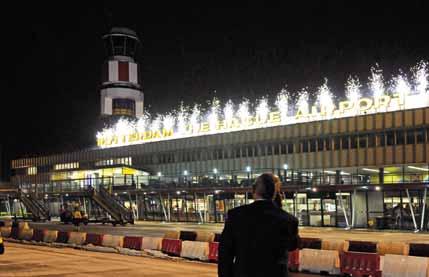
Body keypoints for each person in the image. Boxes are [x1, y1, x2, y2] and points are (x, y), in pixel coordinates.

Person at [218, 173, 299, 277]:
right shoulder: (288, 219)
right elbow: (292, 245)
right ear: (275, 194)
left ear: (253, 190)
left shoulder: (236, 215)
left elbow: (225, 253)